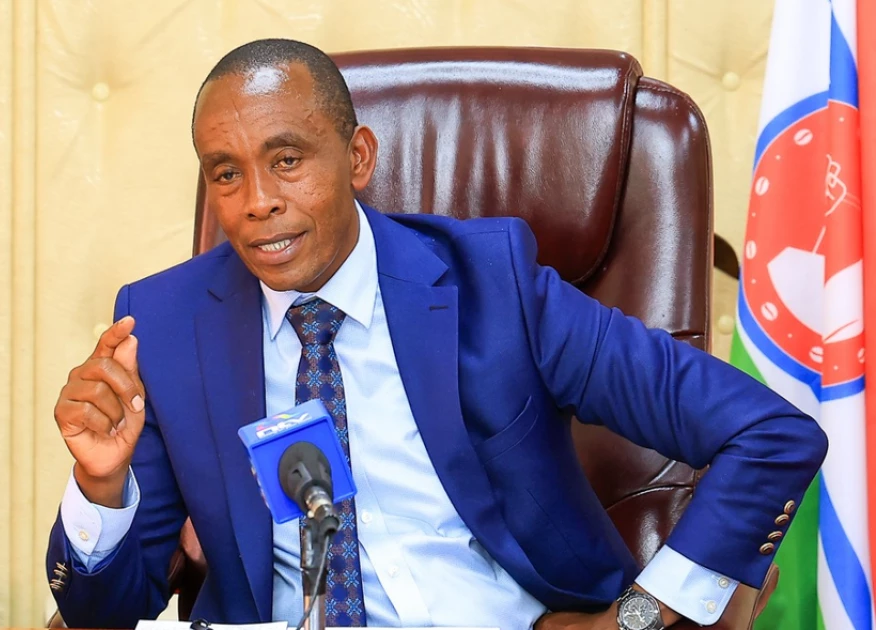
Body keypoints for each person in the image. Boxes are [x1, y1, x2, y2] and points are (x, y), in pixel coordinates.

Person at [46, 38, 827, 630]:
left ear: (357, 158)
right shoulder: (167, 323)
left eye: (287, 160)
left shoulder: (495, 284)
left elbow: (769, 433)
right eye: (226, 173)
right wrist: (100, 488)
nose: (257, 201)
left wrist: (641, 616)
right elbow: (101, 613)